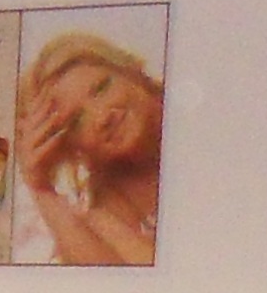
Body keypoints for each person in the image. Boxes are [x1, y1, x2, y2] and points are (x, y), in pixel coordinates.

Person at [15, 29, 164, 265]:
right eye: (76, 122)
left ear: (130, 71)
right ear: (72, 148)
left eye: (101, 88)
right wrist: (40, 188)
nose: (102, 117)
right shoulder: (104, 209)